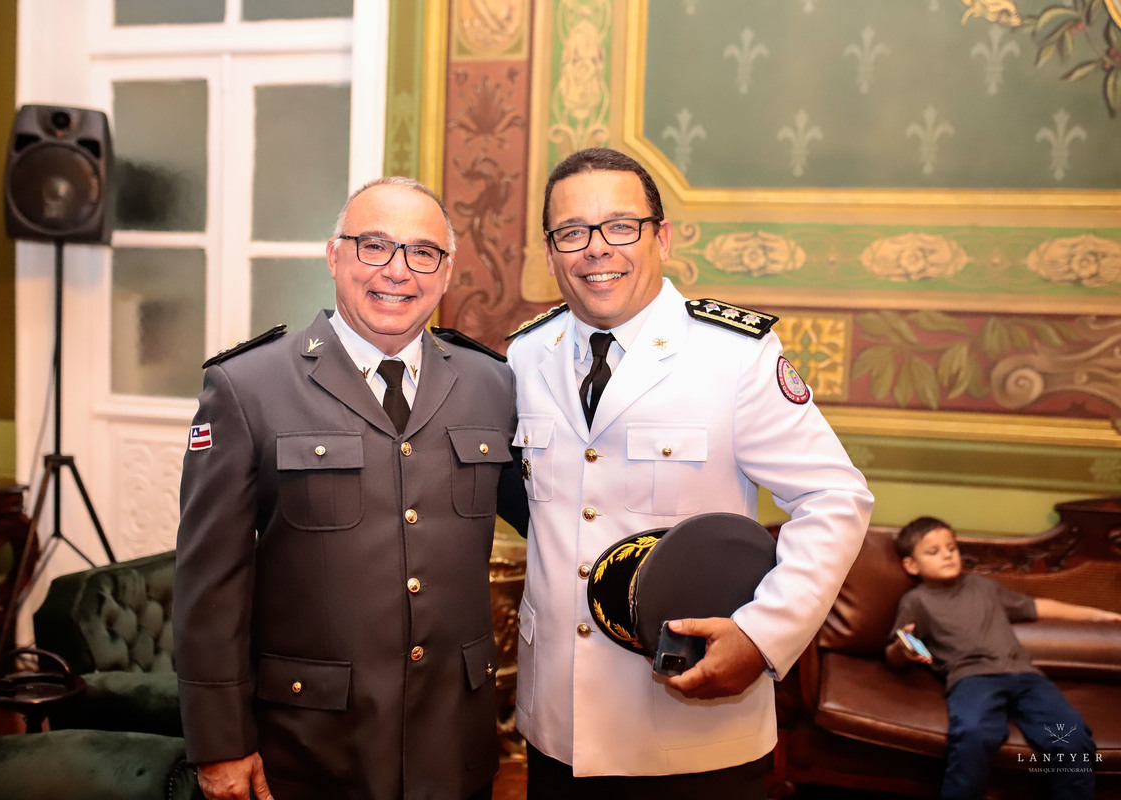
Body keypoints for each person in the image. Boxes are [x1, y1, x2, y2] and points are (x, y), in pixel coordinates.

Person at [505, 147, 875, 798]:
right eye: (572, 232)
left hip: (692, 729)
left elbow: (835, 497)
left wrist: (763, 637)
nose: (597, 248)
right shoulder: (527, 352)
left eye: (621, 226)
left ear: (662, 237)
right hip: (558, 728)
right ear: (550, 250)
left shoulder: (735, 356)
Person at [174, 177, 526, 800]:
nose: (398, 270)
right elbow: (211, 585)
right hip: (311, 740)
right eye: (374, 246)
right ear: (334, 255)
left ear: (446, 274)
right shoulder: (247, 386)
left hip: (453, 735)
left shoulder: (492, 384)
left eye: (423, 253)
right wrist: (220, 741)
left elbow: (558, 517)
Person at [886, 515, 1119, 800]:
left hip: (1027, 678)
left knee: (1071, 739)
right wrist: (904, 649)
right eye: (933, 552)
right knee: (974, 734)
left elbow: (1038, 607)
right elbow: (895, 651)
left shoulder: (984, 587)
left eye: (951, 547)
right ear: (911, 565)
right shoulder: (916, 601)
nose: (947, 555)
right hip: (972, 679)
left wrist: (1101, 616)